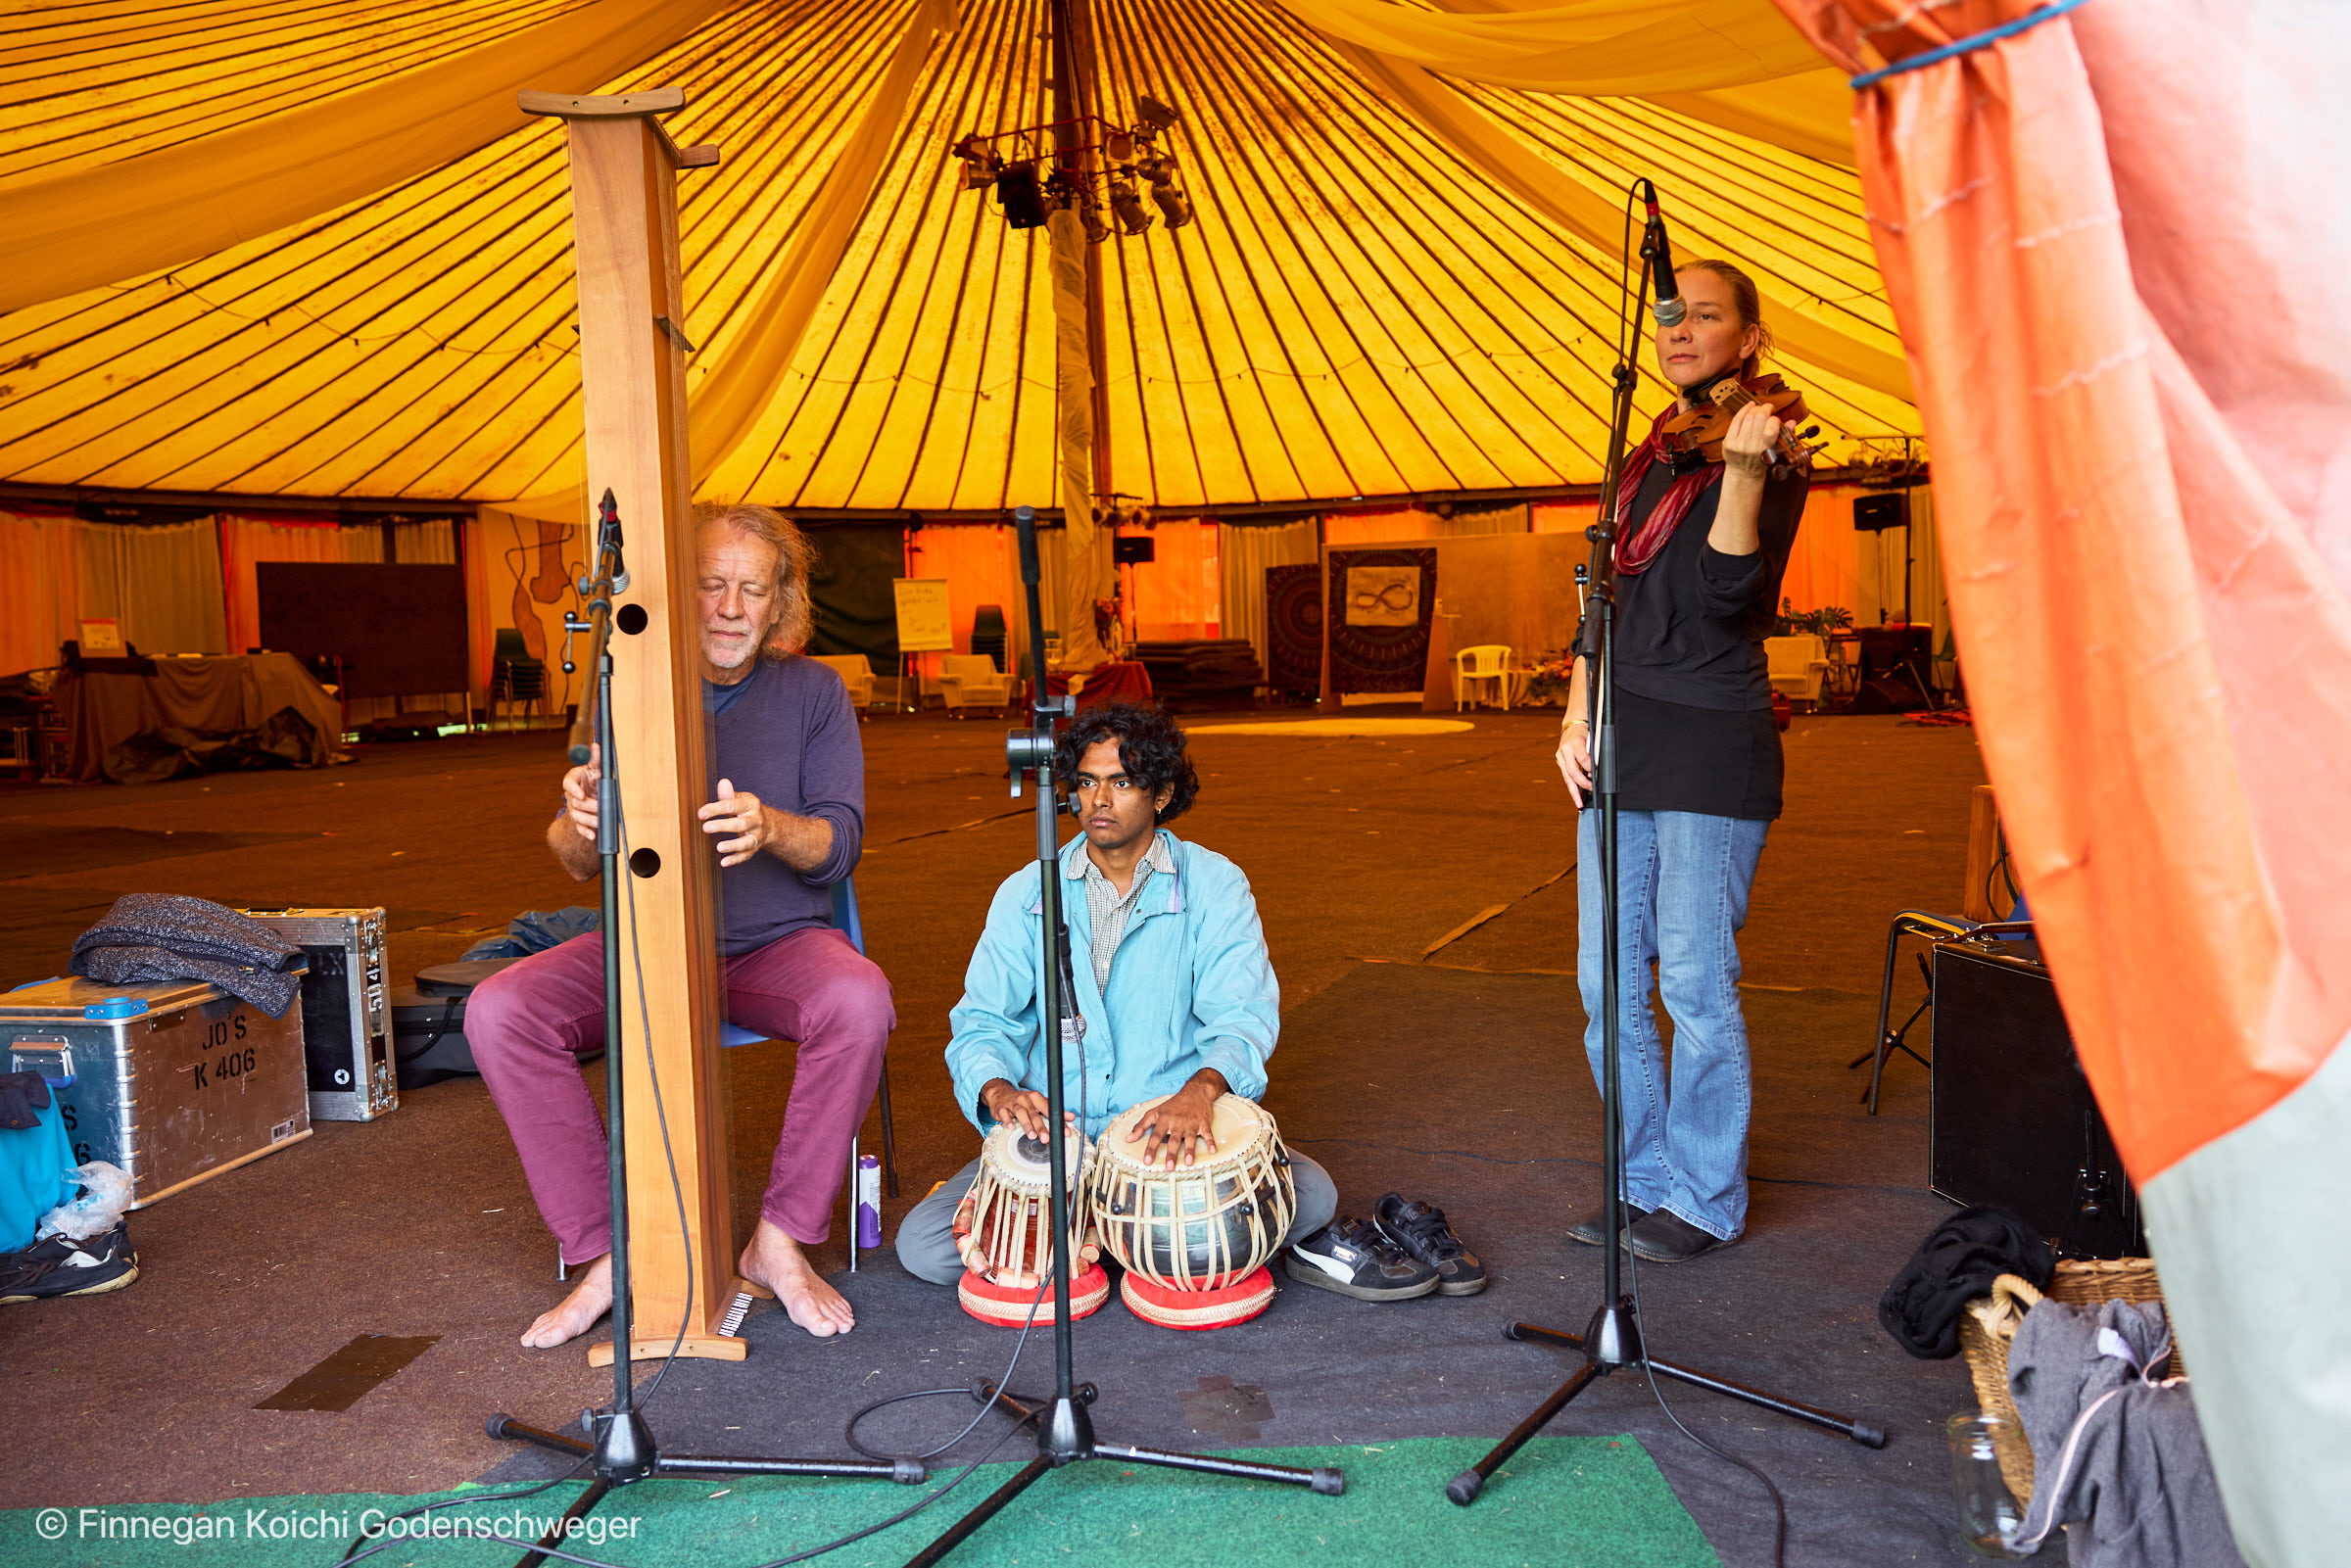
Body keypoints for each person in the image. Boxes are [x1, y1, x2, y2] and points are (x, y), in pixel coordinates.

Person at [468, 502, 891, 1346]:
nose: (731, 607)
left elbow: (839, 843)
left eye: (752, 589)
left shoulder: (815, 693)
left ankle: (779, 1240)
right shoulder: (628, 684)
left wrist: (770, 825)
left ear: (781, 605)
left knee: (859, 1000)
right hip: (645, 943)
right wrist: (576, 821)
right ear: (680, 594)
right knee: (500, 1010)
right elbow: (572, 857)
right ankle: (607, 1251)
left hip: (775, 946)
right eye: (711, 585)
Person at [893, 700, 1337, 1285]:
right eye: (1086, 782)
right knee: (925, 1247)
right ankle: (1139, 1237)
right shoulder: (1029, 891)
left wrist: (1199, 1091)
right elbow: (982, 1021)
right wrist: (999, 1091)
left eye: (1122, 782)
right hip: (1061, 1137)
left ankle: (1085, 1239)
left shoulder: (1214, 884)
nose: (1098, 801)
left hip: (1165, 1132)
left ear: (1161, 794)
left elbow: (1242, 1017)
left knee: (1313, 1195)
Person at [1555, 260, 1811, 1264]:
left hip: (1711, 739)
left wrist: (1742, 474)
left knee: (1696, 980)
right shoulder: (1646, 457)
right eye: (1672, 316)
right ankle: (1643, 1177)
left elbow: (1719, 597)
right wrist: (1576, 712)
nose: (1681, 329)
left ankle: (1706, 1195)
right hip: (1623, 737)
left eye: (1707, 316)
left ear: (1748, 339)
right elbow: (1601, 600)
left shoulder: (1767, 451)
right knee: (1606, 979)